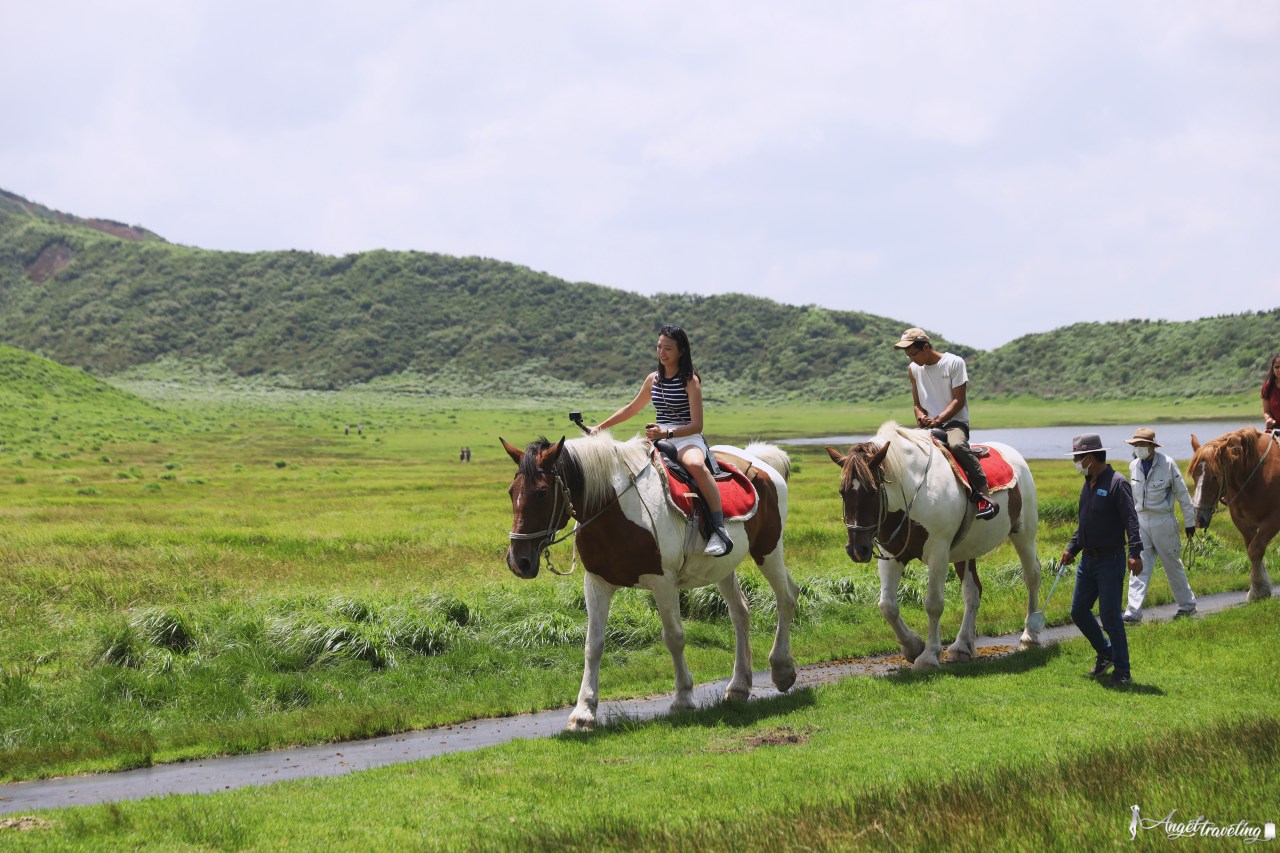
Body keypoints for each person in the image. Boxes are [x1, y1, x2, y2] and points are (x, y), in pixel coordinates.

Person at [589, 323, 731, 556]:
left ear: (681, 351)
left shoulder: (690, 380)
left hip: (686, 437)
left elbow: (697, 424)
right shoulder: (653, 379)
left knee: (695, 465)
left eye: (668, 349)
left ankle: (719, 529)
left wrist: (667, 433)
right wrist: (599, 427)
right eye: (659, 347)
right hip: (658, 436)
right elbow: (631, 409)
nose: (662, 353)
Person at [1061, 433, 1144, 687]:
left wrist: (1134, 553)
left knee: (1110, 617)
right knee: (1078, 611)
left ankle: (1123, 670)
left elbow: (1131, 520)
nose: (1076, 461)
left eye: (1078, 457)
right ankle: (1105, 652)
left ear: (1090, 457)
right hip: (1087, 561)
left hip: (1110, 560)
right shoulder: (1088, 483)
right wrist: (1071, 549)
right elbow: (1084, 523)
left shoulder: (1117, 484)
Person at [893, 327, 998, 520]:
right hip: (928, 426)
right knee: (903, 449)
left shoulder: (954, 363)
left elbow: (958, 400)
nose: (911, 359)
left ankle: (984, 495)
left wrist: (938, 419)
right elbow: (917, 404)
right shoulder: (914, 369)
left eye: (913, 353)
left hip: (953, 423)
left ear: (925, 347)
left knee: (957, 445)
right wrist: (921, 416)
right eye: (908, 356)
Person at [1122, 427, 1197, 623]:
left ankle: (1187, 606)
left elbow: (1183, 494)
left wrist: (1190, 523)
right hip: (1140, 522)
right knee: (1138, 566)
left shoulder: (1168, 464)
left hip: (1163, 520)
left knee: (1172, 565)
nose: (1138, 448)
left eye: (1142, 445)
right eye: (1135, 445)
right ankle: (1133, 612)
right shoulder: (1133, 465)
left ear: (1152, 446)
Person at [1262, 353, 1280, 432]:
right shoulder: (1268, 386)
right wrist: (1269, 420)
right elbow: (1266, 411)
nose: (1279, 370)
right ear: (1273, 369)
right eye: (1277, 367)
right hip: (1274, 430)